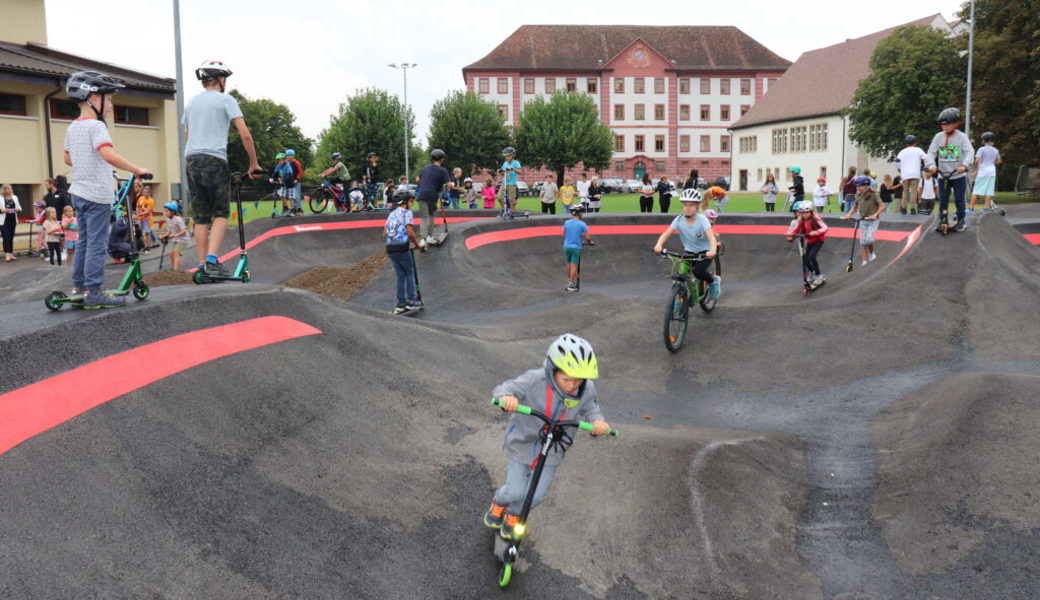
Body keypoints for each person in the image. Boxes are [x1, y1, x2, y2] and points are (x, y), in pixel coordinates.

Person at [482, 333, 610, 540]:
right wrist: (506, 398)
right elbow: (505, 389)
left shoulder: (586, 389)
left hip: (554, 448)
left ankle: (514, 514)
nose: (572, 385)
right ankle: (500, 502)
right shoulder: (535, 379)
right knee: (515, 491)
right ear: (553, 370)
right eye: (566, 379)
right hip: (523, 442)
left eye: (578, 381)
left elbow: (592, 408)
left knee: (535, 495)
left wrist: (598, 422)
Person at [63, 70, 151, 307]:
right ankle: (94, 292)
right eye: (109, 99)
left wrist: (89, 162)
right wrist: (137, 170)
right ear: (92, 97)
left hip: (79, 193)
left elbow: (68, 159)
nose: (111, 105)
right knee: (96, 244)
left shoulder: (73, 127)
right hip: (96, 195)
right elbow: (107, 153)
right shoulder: (96, 127)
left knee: (83, 242)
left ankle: (79, 288)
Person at [182, 60, 260, 275]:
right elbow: (245, 134)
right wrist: (253, 163)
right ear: (220, 79)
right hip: (214, 159)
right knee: (221, 212)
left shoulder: (191, 103)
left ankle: (201, 265)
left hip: (192, 159)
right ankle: (212, 261)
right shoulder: (226, 100)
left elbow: (187, 133)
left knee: (201, 216)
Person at [652, 188, 720, 300]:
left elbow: (711, 238)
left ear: (697, 206)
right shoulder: (679, 220)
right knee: (680, 276)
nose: (687, 208)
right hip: (689, 252)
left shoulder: (702, 220)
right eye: (685, 205)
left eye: (691, 205)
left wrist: (712, 250)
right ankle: (680, 301)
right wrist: (659, 245)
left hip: (705, 251)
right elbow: (665, 234)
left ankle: (713, 282)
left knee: (698, 271)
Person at [925, 107, 974, 232]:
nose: (945, 127)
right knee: (943, 199)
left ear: (956, 123)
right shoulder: (938, 137)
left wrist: (965, 165)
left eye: (948, 125)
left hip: (958, 175)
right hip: (943, 175)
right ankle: (943, 219)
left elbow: (970, 152)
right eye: (943, 125)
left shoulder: (962, 137)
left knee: (959, 199)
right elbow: (931, 152)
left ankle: (961, 220)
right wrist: (931, 165)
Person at [384, 188, 423, 314]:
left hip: (390, 247)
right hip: (402, 246)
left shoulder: (391, 214)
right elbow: (410, 233)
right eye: (411, 201)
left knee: (400, 275)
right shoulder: (407, 213)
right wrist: (417, 245)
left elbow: (384, 234)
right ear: (406, 202)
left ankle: (401, 304)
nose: (412, 203)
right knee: (409, 272)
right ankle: (411, 301)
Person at [842, 175, 884, 267]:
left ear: (866, 185)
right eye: (857, 186)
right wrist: (848, 215)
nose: (858, 188)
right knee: (862, 242)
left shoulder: (874, 194)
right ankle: (864, 262)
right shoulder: (859, 195)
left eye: (860, 186)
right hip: (863, 221)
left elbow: (882, 206)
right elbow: (854, 206)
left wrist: (875, 215)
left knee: (868, 240)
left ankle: (872, 253)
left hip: (873, 221)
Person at [786, 201, 828, 287]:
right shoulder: (801, 218)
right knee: (805, 258)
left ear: (811, 211)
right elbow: (797, 228)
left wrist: (816, 232)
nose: (804, 214)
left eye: (806, 212)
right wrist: (791, 235)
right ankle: (811, 272)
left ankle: (818, 275)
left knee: (812, 257)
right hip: (810, 240)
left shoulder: (816, 217)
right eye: (802, 213)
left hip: (818, 239)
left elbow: (825, 227)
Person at [416, 149, 454, 241]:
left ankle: (422, 240)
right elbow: (449, 185)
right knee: (432, 214)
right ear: (442, 159)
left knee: (424, 217)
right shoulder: (443, 170)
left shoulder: (425, 168)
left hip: (421, 195)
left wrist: (426, 183)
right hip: (432, 195)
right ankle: (429, 236)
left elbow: (417, 180)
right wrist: (452, 184)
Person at [563, 204, 593, 291]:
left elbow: (564, 234)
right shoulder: (582, 224)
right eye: (581, 213)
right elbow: (587, 237)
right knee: (574, 265)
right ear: (578, 213)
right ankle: (571, 284)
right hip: (576, 247)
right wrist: (590, 242)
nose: (582, 214)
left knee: (568, 264)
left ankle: (569, 281)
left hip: (567, 246)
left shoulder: (567, 222)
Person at [970, 131, 1001, 212]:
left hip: (983, 171)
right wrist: (991, 162)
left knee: (976, 189)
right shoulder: (995, 150)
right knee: (989, 190)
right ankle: (986, 208)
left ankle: (971, 208)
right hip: (992, 172)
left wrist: (978, 168)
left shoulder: (981, 149)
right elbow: (998, 161)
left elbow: (977, 161)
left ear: (983, 140)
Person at [895, 135, 925, 214]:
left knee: (905, 190)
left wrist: (900, 168)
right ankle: (912, 208)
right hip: (915, 173)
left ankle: (904, 207)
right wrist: (925, 166)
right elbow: (925, 157)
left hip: (905, 174)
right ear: (915, 143)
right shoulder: (918, 150)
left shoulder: (902, 151)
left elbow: (897, 160)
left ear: (906, 144)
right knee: (914, 191)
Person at [159, 201, 189, 271]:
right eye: (165, 211)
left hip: (183, 239)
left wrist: (175, 235)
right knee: (171, 254)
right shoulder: (168, 220)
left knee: (176, 253)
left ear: (172, 212)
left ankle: (176, 271)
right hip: (176, 239)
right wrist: (163, 236)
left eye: (167, 211)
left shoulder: (178, 219)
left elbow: (184, 230)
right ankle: (173, 269)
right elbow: (169, 231)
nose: (165, 213)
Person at [1, 183, 22, 261]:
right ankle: (7, 255)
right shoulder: (0, 198)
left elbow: (19, 207)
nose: (10, 190)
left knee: (11, 237)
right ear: (4, 190)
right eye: (8, 189)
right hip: (4, 220)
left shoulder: (15, 197)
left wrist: (18, 209)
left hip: (13, 219)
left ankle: (11, 254)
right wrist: (2, 210)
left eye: (11, 189)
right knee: (6, 237)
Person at [136, 184, 159, 250]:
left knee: (147, 233)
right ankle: (143, 244)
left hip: (146, 219)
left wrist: (140, 214)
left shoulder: (151, 201)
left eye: (146, 192)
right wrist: (138, 213)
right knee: (140, 232)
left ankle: (147, 247)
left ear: (149, 193)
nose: (144, 193)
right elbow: (137, 206)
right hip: (140, 218)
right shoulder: (141, 198)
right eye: (143, 191)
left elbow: (148, 211)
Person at [500, 147, 521, 214]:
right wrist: (500, 172)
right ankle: (504, 210)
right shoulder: (505, 163)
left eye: (509, 156)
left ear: (513, 155)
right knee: (499, 197)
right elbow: (503, 174)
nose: (507, 158)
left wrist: (513, 169)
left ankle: (512, 212)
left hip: (512, 184)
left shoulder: (516, 163)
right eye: (506, 156)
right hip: (505, 183)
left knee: (512, 200)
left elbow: (520, 172)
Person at [284, 149, 304, 214]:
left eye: (290, 155)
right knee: (291, 196)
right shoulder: (285, 164)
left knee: (297, 195)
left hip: (296, 182)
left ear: (293, 156)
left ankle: (299, 209)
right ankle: (293, 209)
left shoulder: (296, 162)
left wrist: (297, 179)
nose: (289, 157)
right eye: (288, 155)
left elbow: (300, 172)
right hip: (289, 183)